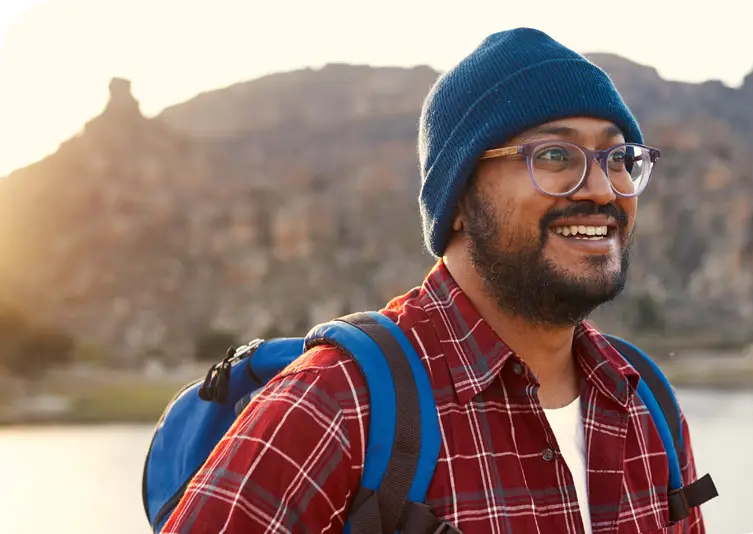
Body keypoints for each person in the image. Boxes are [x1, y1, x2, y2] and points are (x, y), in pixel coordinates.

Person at [162, 27, 708, 534]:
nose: (602, 189)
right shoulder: (335, 403)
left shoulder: (645, 402)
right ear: (459, 200)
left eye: (619, 158)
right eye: (556, 155)